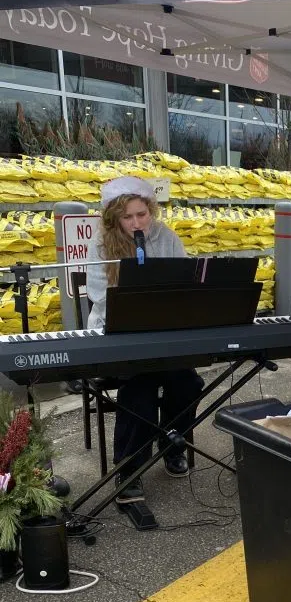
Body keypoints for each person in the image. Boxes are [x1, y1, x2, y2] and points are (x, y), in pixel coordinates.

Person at [87, 176, 203, 505]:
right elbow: (99, 295)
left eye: (142, 214)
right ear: (114, 218)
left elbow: (185, 284)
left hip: (165, 332)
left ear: (150, 210)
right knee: (139, 389)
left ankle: (170, 442)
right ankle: (129, 468)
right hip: (120, 333)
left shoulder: (167, 238)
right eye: (127, 217)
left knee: (189, 384)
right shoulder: (100, 245)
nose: (136, 223)